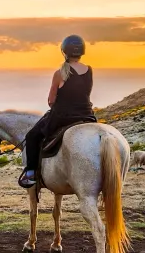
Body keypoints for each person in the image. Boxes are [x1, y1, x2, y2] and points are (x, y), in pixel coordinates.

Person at [18, 34, 97, 188]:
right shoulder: (89, 70)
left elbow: (51, 101)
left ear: (64, 51)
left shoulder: (60, 73)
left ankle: (31, 173)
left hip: (64, 117)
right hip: (87, 115)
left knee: (32, 136)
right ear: (82, 52)